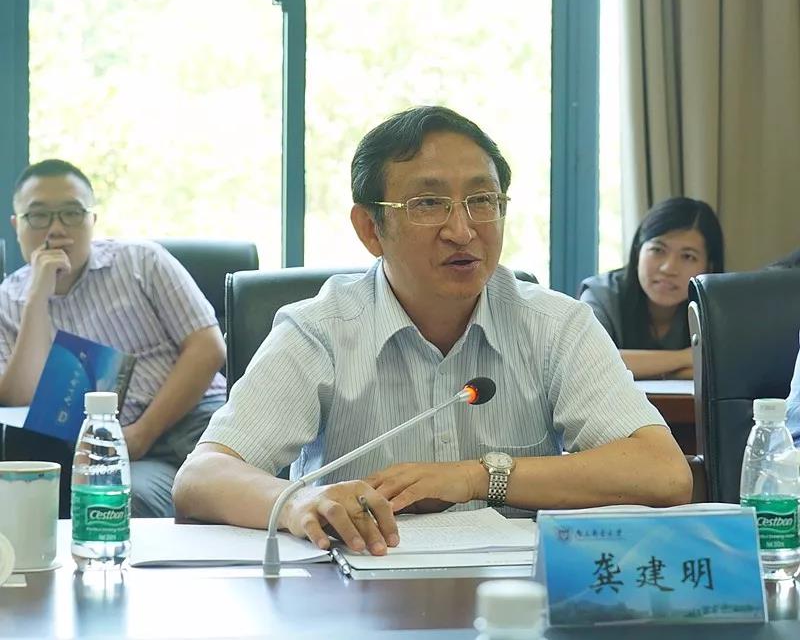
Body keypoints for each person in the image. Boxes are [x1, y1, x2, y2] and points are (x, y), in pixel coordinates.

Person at [173, 106, 692, 556]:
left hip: (516, 597)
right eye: (428, 204)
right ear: (370, 229)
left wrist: (477, 476)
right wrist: (297, 502)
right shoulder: (320, 331)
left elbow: (663, 473)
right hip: (361, 597)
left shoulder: (557, 325)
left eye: (482, 200)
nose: (462, 230)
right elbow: (200, 477)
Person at [0, 159, 226, 517]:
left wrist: (143, 432)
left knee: (253, 486)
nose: (56, 228)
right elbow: (18, 397)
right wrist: (36, 298)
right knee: (118, 502)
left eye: (72, 213)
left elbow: (208, 348)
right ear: (17, 225)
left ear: (92, 219)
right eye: (39, 216)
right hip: (121, 455)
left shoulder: (142, 262)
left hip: (199, 419)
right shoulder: (7, 303)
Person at [579, 197, 724, 380]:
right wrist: (686, 358)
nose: (668, 268)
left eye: (688, 256)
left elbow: (727, 367)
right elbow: (588, 361)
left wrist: (647, 366)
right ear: (638, 251)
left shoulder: (719, 306)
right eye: (658, 250)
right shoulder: (601, 294)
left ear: (709, 267)